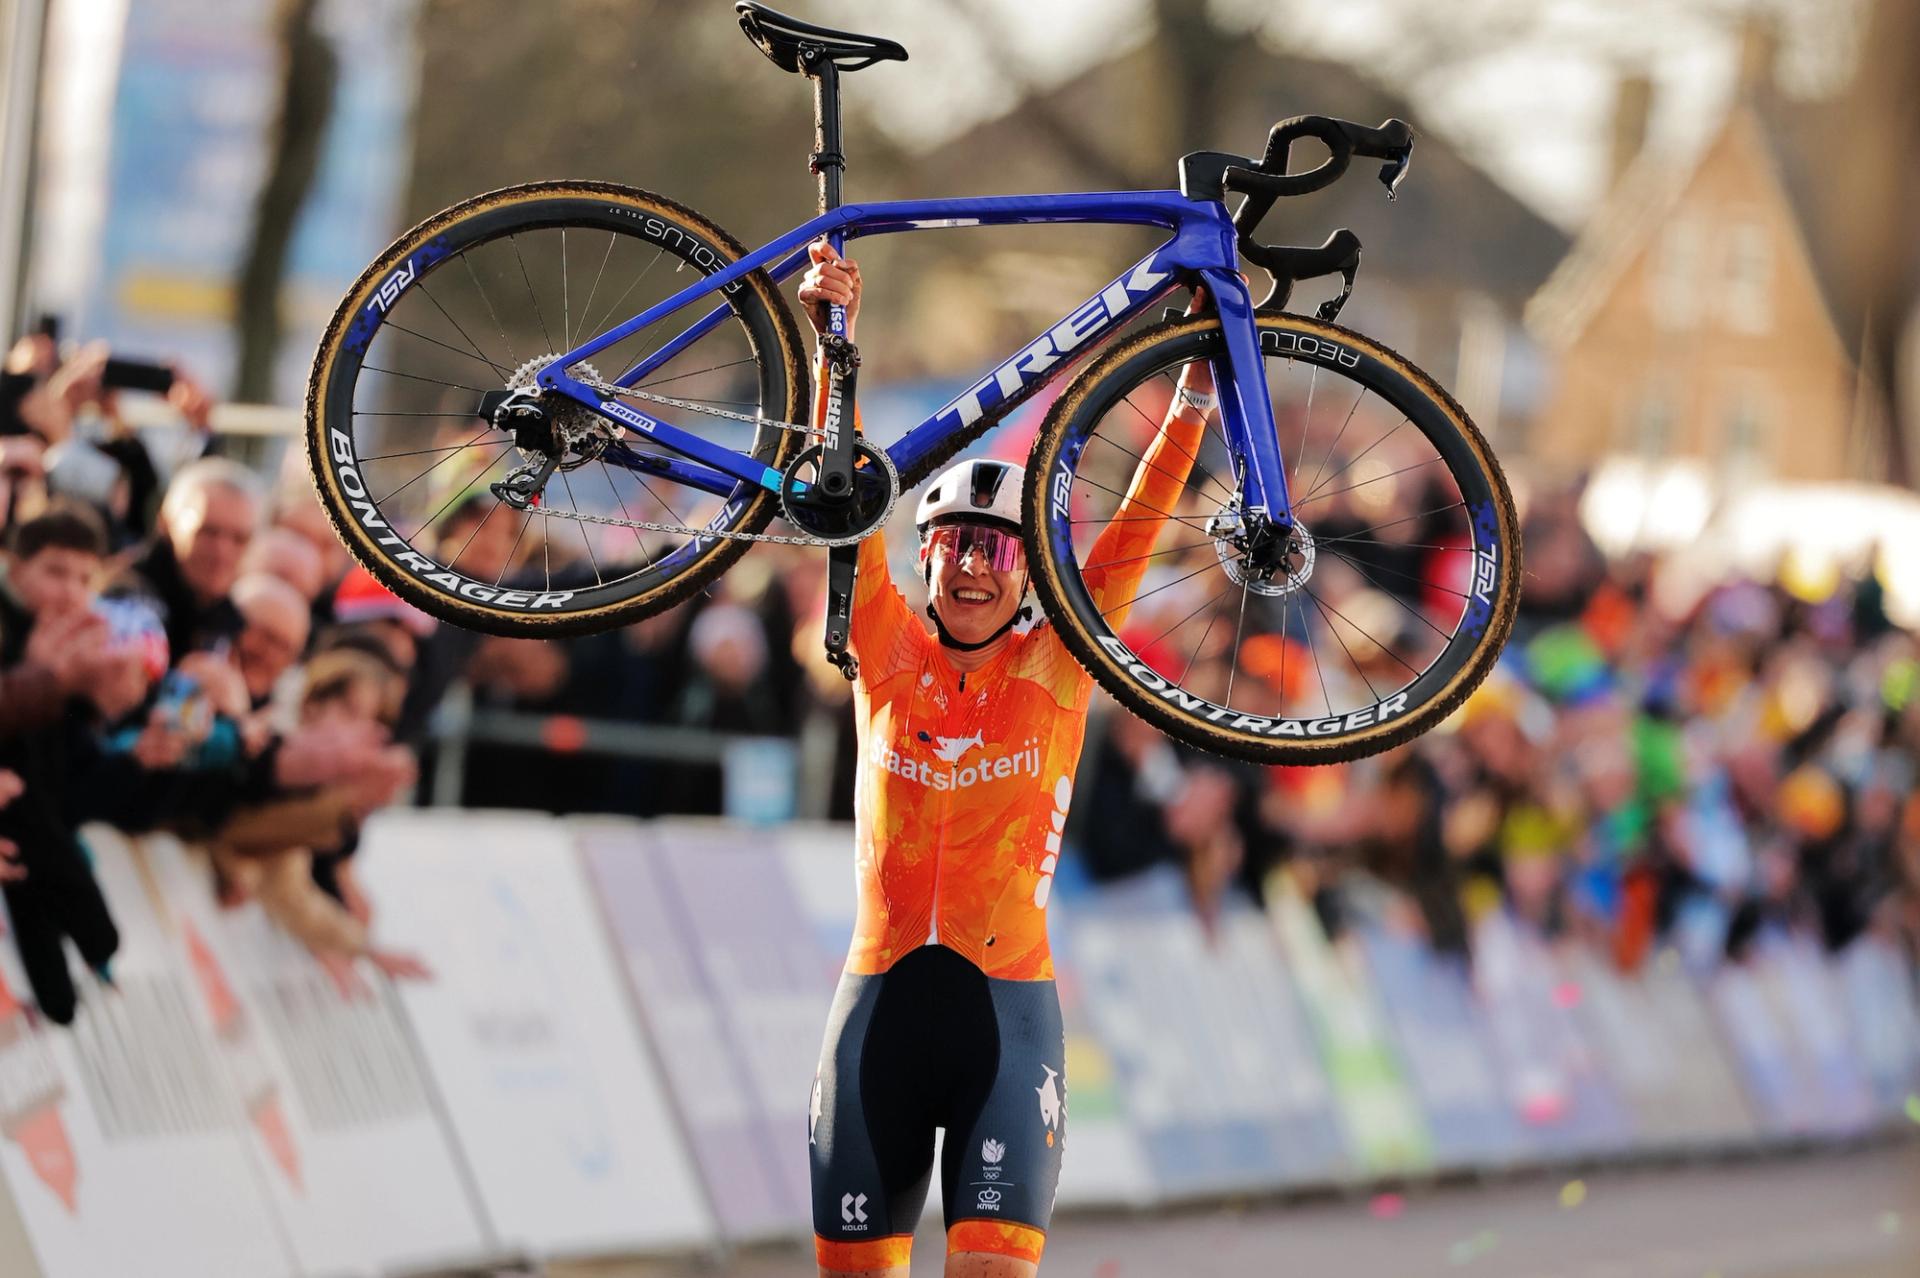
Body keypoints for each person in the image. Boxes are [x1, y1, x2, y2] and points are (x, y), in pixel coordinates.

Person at [798, 242, 1215, 1278]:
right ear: (925, 557)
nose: (977, 566)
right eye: (956, 545)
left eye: (998, 547)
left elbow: (1134, 531)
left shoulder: (1061, 663)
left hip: (1005, 1018)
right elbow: (840, 496)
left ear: (1029, 570)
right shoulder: (885, 654)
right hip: (879, 1016)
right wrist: (832, 343)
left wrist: (1193, 399)